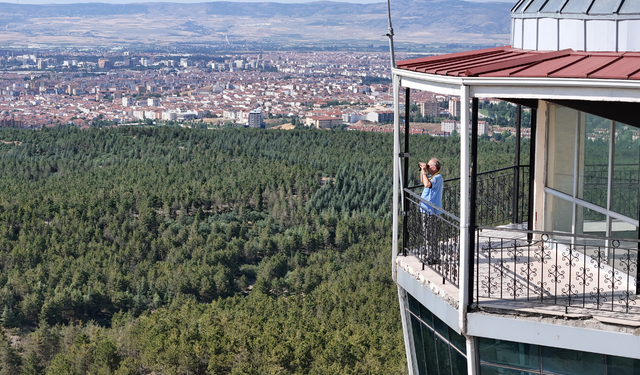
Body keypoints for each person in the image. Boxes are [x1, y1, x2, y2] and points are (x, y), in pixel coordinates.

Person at [418, 158, 443, 265]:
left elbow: (427, 185)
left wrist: (424, 170)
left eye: (428, 166)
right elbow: (422, 181)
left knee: (430, 235)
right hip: (426, 209)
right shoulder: (432, 176)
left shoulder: (437, 177)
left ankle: (432, 257)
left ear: (434, 167)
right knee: (428, 234)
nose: (427, 167)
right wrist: (422, 170)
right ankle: (431, 255)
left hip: (431, 211)